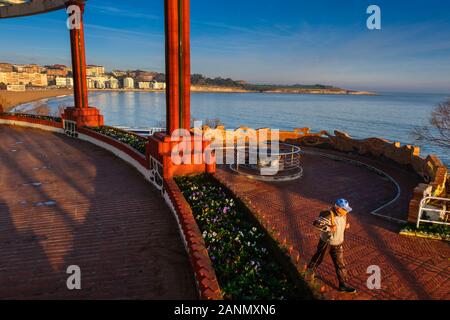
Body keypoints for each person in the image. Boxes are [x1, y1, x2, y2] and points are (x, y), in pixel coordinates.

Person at [307, 198, 356, 293]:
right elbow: (316, 224)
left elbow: (340, 223)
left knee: (340, 265)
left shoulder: (344, 215)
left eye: (347, 209)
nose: (346, 211)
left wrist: (345, 226)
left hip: (337, 243)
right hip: (326, 243)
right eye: (344, 209)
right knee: (318, 258)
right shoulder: (328, 214)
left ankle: (343, 285)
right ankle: (308, 272)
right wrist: (329, 228)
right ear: (338, 208)